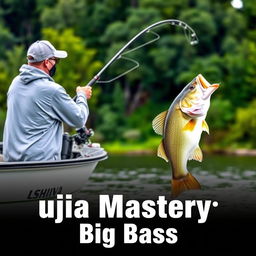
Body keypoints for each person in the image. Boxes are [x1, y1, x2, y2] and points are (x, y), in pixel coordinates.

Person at [3, 40, 92, 162]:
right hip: (40, 163)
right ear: (46, 62)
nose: (56, 63)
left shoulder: (15, 83)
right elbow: (79, 120)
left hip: (12, 161)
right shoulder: (52, 90)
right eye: (55, 60)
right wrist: (81, 95)